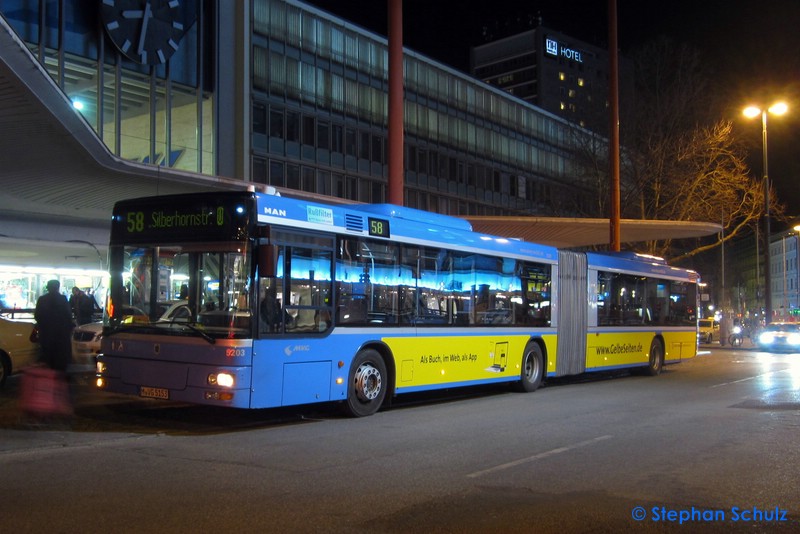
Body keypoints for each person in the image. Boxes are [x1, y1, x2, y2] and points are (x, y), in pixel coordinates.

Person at [34, 280, 74, 372]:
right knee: (60, 361)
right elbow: (68, 315)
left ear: (48, 287)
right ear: (58, 287)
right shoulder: (63, 299)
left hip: (46, 334)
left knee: (47, 359)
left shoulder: (42, 299)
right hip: (61, 335)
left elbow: (37, 316)